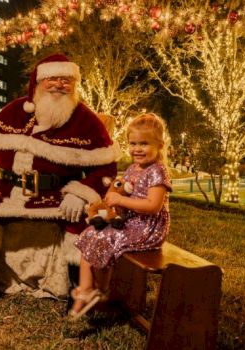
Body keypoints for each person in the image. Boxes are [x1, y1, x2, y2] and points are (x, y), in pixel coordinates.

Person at [0, 54, 120, 305]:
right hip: (3, 190)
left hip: (55, 195)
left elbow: (107, 168)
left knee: (82, 222)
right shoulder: (14, 110)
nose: (60, 85)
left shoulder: (86, 119)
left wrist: (81, 192)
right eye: (53, 79)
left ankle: (75, 291)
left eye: (67, 80)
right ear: (38, 82)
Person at [69, 113, 172, 319]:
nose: (137, 149)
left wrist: (122, 202)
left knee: (104, 238)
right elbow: (120, 190)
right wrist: (112, 197)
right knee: (90, 233)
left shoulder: (157, 171)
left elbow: (153, 206)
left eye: (144, 144)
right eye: (133, 143)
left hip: (148, 227)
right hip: (131, 221)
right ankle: (88, 288)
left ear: (159, 145)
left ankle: (104, 290)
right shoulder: (133, 168)